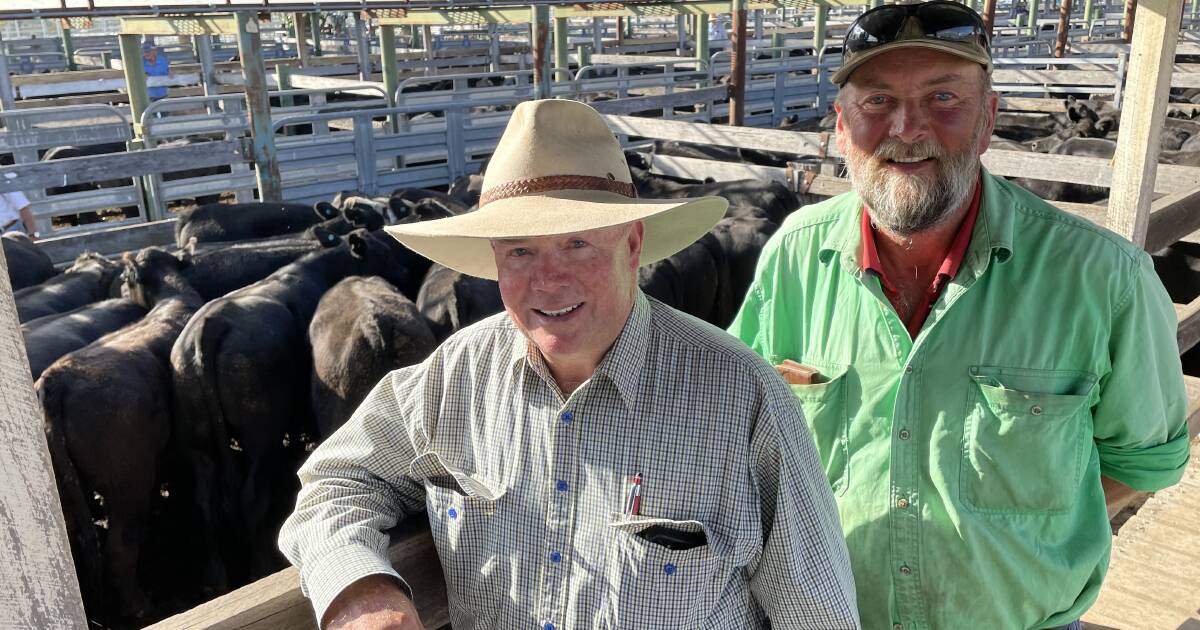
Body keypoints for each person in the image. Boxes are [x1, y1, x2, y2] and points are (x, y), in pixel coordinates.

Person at [278, 99, 860, 630]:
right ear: (494, 263)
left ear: (632, 246)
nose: (548, 281)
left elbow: (819, 617)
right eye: (520, 251)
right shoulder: (454, 376)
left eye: (577, 244)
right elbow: (337, 479)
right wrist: (361, 589)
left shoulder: (744, 398)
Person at [728, 3, 1189, 629]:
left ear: (989, 118)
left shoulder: (1105, 279)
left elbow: (1141, 463)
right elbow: (742, 431)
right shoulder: (796, 256)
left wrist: (1024, 549)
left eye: (943, 98)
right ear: (841, 126)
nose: (908, 128)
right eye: (877, 102)